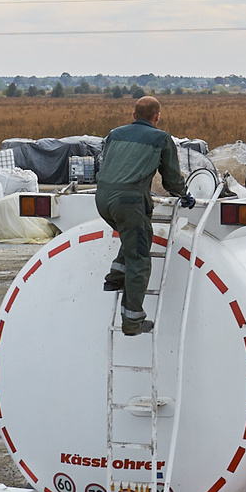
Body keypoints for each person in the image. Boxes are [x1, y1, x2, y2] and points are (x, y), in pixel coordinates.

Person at [96, 96, 194, 335]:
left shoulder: (115, 134)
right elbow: (171, 177)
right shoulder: (160, 138)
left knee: (135, 236)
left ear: (133, 115)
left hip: (103, 199)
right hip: (128, 202)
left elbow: (105, 164)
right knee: (139, 257)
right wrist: (183, 194)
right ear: (157, 117)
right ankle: (132, 321)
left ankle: (116, 276)